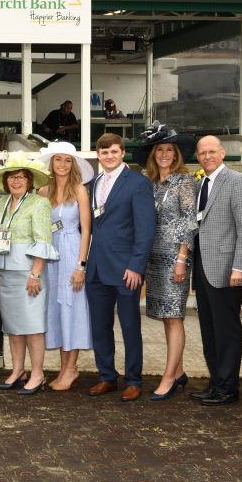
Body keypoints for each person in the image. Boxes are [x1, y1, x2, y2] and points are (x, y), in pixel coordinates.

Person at [84, 133, 156, 402]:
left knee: (129, 327)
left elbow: (146, 229)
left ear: (122, 152)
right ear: (98, 155)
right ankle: (106, 376)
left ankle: (134, 380)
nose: (109, 156)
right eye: (104, 153)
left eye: (114, 152)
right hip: (97, 269)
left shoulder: (138, 183)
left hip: (127, 270)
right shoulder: (93, 183)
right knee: (100, 327)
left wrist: (136, 266)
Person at [190, 135, 242, 406]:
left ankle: (228, 388)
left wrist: (239, 267)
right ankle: (216, 382)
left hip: (228, 270)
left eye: (212, 151)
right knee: (209, 329)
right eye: (202, 152)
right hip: (203, 268)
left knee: (226, 331)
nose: (207, 156)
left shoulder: (237, 182)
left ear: (221, 153)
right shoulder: (200, 184)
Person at [0, 153, 57, 396]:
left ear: (29, 180)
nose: (16, 181)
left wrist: (35, 274)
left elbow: (43, 240)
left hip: (28, 272)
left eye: (21, 177)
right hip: (6, 271)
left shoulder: (39, 203)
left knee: (33, 326)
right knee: (13, 326)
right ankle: (17, 371)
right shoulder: (4, 202)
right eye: (12, 178)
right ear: (6, 181)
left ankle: (38, 373)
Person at [134, 123, 197, 401]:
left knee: (173, 317)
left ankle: (169, 377)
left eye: (169, 150)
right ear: (153, 154)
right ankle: (179, 371)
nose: (164, 154)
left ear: (176, 154)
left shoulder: (184, 181)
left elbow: (188, 221)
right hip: (152, 257)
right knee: (164, 317)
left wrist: (182, 259)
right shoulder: (148, 183)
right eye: (159, 149)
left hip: (175, 256)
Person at [37, 141, 93, 391]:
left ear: (73, 165)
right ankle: (64, 368)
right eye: (58, 159)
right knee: (57, 312)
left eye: (67, 160)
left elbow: (87, 230)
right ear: (51, 163)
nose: (62, 164)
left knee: (73, 308)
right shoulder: (42, 192)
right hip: (50, 257)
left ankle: (71, 368)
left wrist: (81, 265)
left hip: (71, 253)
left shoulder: (80, 191)